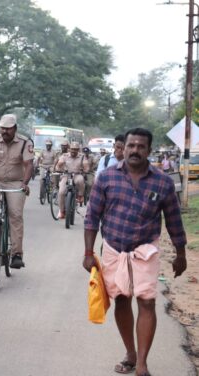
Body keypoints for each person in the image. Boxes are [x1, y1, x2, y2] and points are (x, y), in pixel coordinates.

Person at [83, 127, 187, 376]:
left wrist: (181, 253)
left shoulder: (162, 182)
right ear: (124, 147)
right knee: (121, 299)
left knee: (147, 302)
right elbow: (92, 217)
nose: (135, 150)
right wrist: (88, 252)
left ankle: (141, 364)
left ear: (149, 151)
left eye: (141, 146)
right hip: (113, 249)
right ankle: (130, 352)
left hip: (145, 250)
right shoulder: (107, 177)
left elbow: (173, 220)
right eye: (131, 146)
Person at [0, 114, 34, 269]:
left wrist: (25, 183)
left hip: (16, 182)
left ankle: (17, 254)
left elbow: (28, 165)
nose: (5, 131)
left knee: (16, 215)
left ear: (15, 129)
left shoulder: (25, 143)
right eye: (2, 128)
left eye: (8, 128)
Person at [55, 141, 90, 219]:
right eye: (72, 149)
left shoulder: (82, 156)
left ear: (78, 150)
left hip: (77, 175)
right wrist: (58, 168)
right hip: (66, 175)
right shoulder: (64, 156)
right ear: (69, 149)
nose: (74, 151)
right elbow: (59, 164)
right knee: (61, 192)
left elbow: (86, 165)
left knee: (81, 180)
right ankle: (62, 211)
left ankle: (80, 196)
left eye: (76, 149)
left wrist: (86, 169)